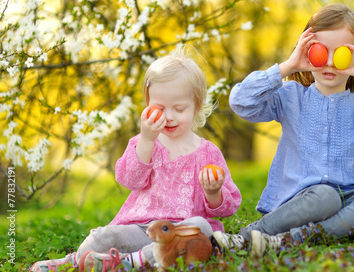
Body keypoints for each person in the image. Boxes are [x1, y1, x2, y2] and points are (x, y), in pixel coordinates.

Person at [212, 3, 354, 257]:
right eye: (319, 51)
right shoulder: (290, 96)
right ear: (306, 50)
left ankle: (286, 241)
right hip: (300, 201)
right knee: (325, 197)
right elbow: (241, 102)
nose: (328, 62)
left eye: (341, 54)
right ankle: (248, 236)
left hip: (348, 198)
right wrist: (288, 66)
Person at [30, 49, 242, 271]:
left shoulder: (208, 153)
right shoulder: (144, 142)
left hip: (180, 232)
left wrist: (213, 192)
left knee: (201, 227)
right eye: (159, 108)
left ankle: (128, 262)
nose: (169, 116)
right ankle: (75, 261)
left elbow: (228, 207)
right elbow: (129, 179)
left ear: (197, 106)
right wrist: (147, 141)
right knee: (105, 235)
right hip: (140, 229)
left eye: (179, 109)